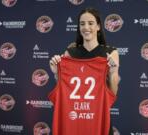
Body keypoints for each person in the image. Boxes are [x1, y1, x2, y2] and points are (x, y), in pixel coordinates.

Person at [49, 7, 120, 135]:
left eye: (90, 23)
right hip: (72, 122)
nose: (86, 27)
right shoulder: (69, 54)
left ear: (98, 26)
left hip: (97, 121)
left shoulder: (110, 53)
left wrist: (113, 73)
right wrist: (56, 72)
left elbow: (112, 95)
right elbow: (62, 90)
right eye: (82, 24)